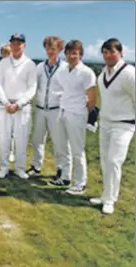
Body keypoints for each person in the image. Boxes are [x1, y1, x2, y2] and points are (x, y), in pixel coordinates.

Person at [89, 38, 135, 214]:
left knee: (114, 161)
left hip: (124, 124)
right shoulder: (102, 74)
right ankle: (105, 195)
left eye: (112, 52)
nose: (108, 56)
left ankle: (110, 200)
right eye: (105, 52)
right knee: (105, 160)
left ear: (121, 53)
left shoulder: (129, 73)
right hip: (106, 122)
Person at [53, 40, 97, 195]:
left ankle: (80, 183)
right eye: (69, 53)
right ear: (65, 54)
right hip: (63, 111)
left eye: (75, 53)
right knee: (62, 147)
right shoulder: (62, 70)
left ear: (81, 55)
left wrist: (82, 111)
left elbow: (92, 99)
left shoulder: (87, 72)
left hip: (77, 114)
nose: (72, 56)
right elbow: (60, 88)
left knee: (78, 150)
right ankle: (65, 177)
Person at [0, 33, 37, 179]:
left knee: (21, 139)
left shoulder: (30, 64)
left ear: (24, 45)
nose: (16, 45)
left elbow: (32, 88)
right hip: (4, 105)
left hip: (22, 107)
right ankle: (4, 167)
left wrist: (18, 104)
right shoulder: (3, 63)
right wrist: (6, 102)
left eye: (19, 43)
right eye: (13, 43)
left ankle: (20, 168)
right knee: (4, 138)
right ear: (10, 44)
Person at [27, 36, 70, 181]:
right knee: (37, 139)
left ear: (59, 49)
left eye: (53, 48)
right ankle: (36, 166)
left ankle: (62, 170)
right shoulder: (39, 67)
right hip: (40, 108)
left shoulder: (65, 68)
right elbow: (33, 86)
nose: (50, 51)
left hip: (56, 109)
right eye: (47, 48)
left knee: (60, 142)